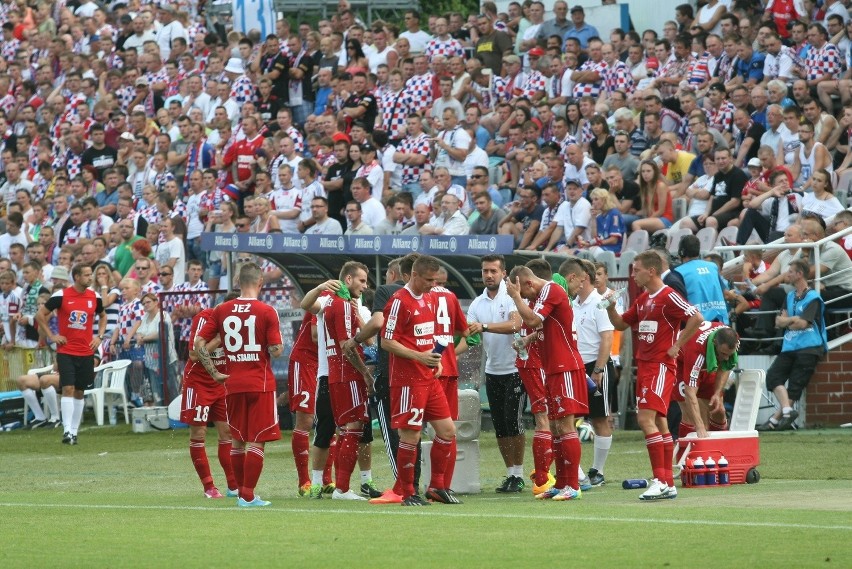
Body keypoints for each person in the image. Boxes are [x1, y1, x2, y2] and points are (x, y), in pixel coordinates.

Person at [604, 250, 703, 500]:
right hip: (645, 366)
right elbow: (621, 324)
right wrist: (611, 308)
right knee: (658, 422)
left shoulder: (669, 296)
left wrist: (678, 344)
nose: (633, 274)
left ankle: (659, 479)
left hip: (660, 366)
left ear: (651, 271)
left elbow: (697, 317)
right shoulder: (643, 299)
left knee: (645, 420)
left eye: (636, 270)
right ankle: (667, 482)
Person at [195, 263, 284, 507]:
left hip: (232, 383)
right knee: (257, 439)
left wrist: (214, 372)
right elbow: (276, 351)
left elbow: (200, 342)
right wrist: (273, 345)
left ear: (237, 282)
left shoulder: (222, 309)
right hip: (260, 383)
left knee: (237, 440)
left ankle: (240, 490)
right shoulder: (267, 311)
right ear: (261, 282)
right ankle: (247, 495)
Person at [380, 255, 459, 506]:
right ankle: (407, 492)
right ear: (414, 275)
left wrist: (437, 362)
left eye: (435, 280)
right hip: (407, 381)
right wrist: (419, 357)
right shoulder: (398, 302)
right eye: (428, 280)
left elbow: (428, 334)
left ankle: (436, 486)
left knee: (447, 430)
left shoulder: (430, 297)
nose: (432, 284)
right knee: (410, 436)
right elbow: (386, 341)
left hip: (429, 377)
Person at [506, 261, 588, 501]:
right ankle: (561, 483)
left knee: (565, 425)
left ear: (529, 283)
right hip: (553, 368)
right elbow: (542, 327)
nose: (525, 300)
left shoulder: (552, 290)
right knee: (555, 426)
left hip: (566, 366)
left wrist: (515, 298)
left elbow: (532, 320)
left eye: (524, 293)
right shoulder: (541, 296)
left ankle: (573, 485)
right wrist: (527, 340)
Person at [301, 262, 375, 501]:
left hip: (336, 373)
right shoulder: (332, 300)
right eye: (362, 281)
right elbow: (346, 346)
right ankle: (337, 487)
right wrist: (365, 372)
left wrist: (358, 316)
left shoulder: (351, 306)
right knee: (342, 430)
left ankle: (354, 483)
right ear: (349, 279)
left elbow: (369, 342)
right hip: (340, 374)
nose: (365, 286)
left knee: (352, 431)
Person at [466, 255, 526, 493]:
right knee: (500, 425)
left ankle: (519, 474)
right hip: (492, 372)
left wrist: (485, 327)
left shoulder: (511, 296)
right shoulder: (477, 303)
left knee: (514, 421)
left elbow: (516, 325)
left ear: (503, 273)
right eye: (485, 271)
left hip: (515, 369)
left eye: (493, 271)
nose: (489, 275)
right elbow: (470, 337)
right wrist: (446, 353)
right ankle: (510, 473)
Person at [35, 264, 107, 445]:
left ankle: (74, 432)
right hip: (66, 351)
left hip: (86, 352)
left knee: (80, 391)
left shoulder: (95, 297)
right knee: (68, 388)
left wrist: (99, 336)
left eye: (91, 274)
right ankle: (67, 430)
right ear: (76, 277)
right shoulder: (61, 295)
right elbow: (40, 315)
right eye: (86, 275)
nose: (90, 278)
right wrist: (52, 336)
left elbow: (103, 316)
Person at [181, 292, 240, 499]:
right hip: (198, 383)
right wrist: (217, 338)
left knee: (228, 434)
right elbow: (195, 355)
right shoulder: (204, 318)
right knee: (199, 435)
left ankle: (233, 486)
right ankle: (208, 487)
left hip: (221, 383)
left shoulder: (238, 322)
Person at [757, 260, 827, 431]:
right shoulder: (789, 296)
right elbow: (779, 322)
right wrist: (792, 320)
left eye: (790, 272)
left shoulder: (813, 297)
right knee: (773, 377)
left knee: (795, 386)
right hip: (790, 346)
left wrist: (789, 321)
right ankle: (787, 411)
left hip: (809, 347)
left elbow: (803, 324)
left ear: (799, 274)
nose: (786, 275)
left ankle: (774, 421)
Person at [565, 258, 617, 488]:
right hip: (577, 366)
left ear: (581, 277)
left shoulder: (600, 302)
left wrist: (598, 369)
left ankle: (598, 470)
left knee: (599, 418)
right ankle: (575, 472)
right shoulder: (573, 303)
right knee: (572, 417)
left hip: (597, 365)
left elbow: (607, 337)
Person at [674, 322, 739, 440]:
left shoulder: (734, 340)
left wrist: (717, 393)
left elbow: (725, 365)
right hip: (680, 363)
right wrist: (699, 427)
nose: (726, 358)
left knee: (718, 410)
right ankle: (687, 455)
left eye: (729, 354)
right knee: (691, 417)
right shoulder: (696, 353)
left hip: (706, 359)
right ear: (714, 344)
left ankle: (720, 450)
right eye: (723, 353)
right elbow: (690, 392)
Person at [674, 235, 730, 324]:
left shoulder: (678, 272)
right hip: (719, 323)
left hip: (696, 325)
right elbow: (725, 293)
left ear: (681, 252)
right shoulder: (713, 267)